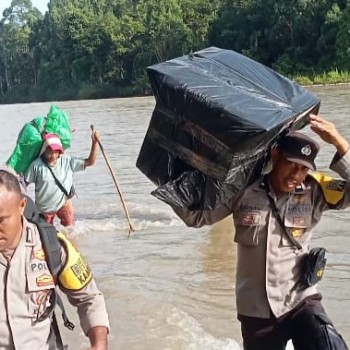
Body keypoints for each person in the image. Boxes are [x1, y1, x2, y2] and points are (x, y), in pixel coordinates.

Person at [171, 113, 349, 349]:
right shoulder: (243, 190)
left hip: (301, 302)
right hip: (256, 312)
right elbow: (197, 217)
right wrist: (172, 178)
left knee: (331, 345)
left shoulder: (316, 190)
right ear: (275, 156)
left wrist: (340, 143)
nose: (296, 175)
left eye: (303, 169)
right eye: (291, 164)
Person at [0, 168, 109, 350]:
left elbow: (89, 298)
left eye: (1, 220)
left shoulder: (52, 246)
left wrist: (99, 345)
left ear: (21, 206)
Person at [24, 129, 100, 227]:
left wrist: (94, 143)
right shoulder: (36, 166)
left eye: (55, 151)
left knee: (70, 230)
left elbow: (90, 162)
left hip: (63, 204)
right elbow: (24, 184)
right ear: (44, 149)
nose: (52, 154)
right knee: (44, 233)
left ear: (60, 152)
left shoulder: (67, 161)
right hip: (44, 208)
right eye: (49, 150)